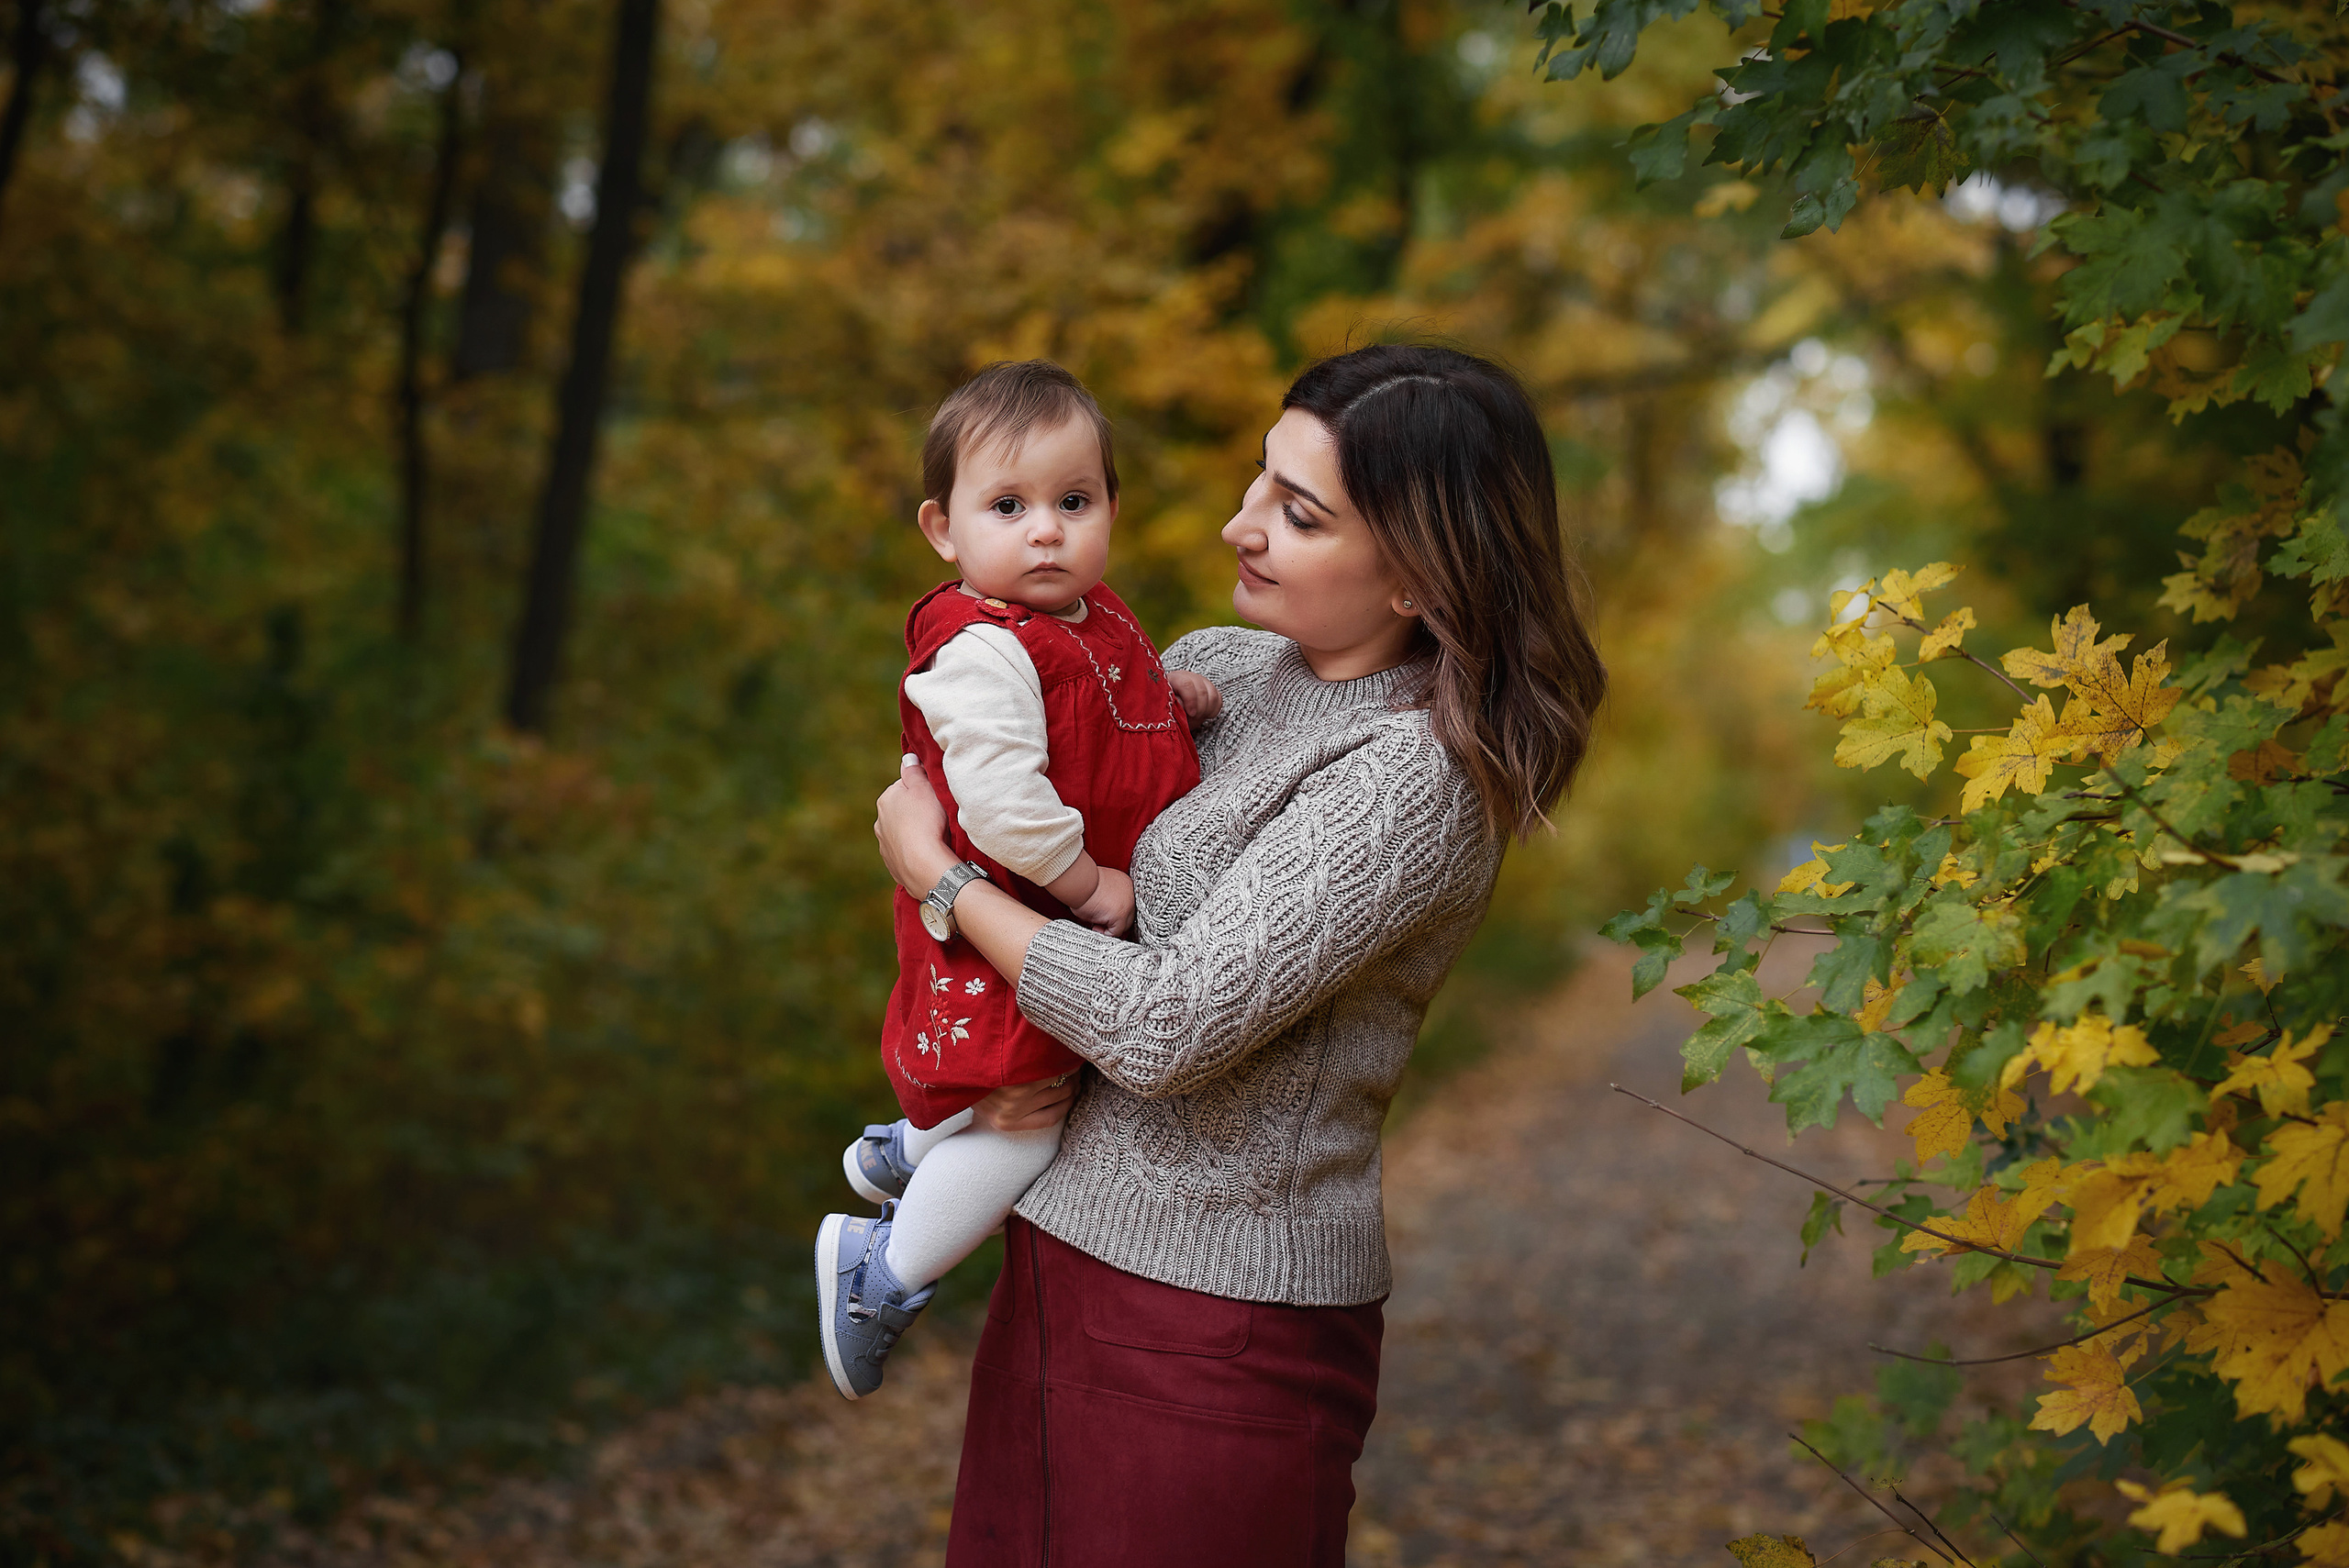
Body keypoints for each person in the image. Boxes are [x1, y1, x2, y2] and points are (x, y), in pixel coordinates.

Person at [872, 341, 1609, 1565]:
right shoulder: (1220, 665)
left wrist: (939, 879)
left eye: (1298, 512)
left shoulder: (1410, 779)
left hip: (1215, 1327)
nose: (1238, 525)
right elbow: (1012, 786)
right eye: (1260, 483)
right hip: (1057, 1264)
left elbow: (1163, 1026)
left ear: (1422, 575)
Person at [815, 360, 1222, 1401]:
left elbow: (1105, 699)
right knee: (1028, 1112)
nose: (1045, 530)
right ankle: (880, 1269)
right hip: (1020, 921)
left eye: (1072, 502)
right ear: (943, 529)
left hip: (1038, 926)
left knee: (1008, 1083)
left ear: (1109, 510)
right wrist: (1089, 886)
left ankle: (904, 1146)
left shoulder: (1088, 614)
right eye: (1008, 506)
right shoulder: (979, 650)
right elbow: (1002, 805)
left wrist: (1171, 694)